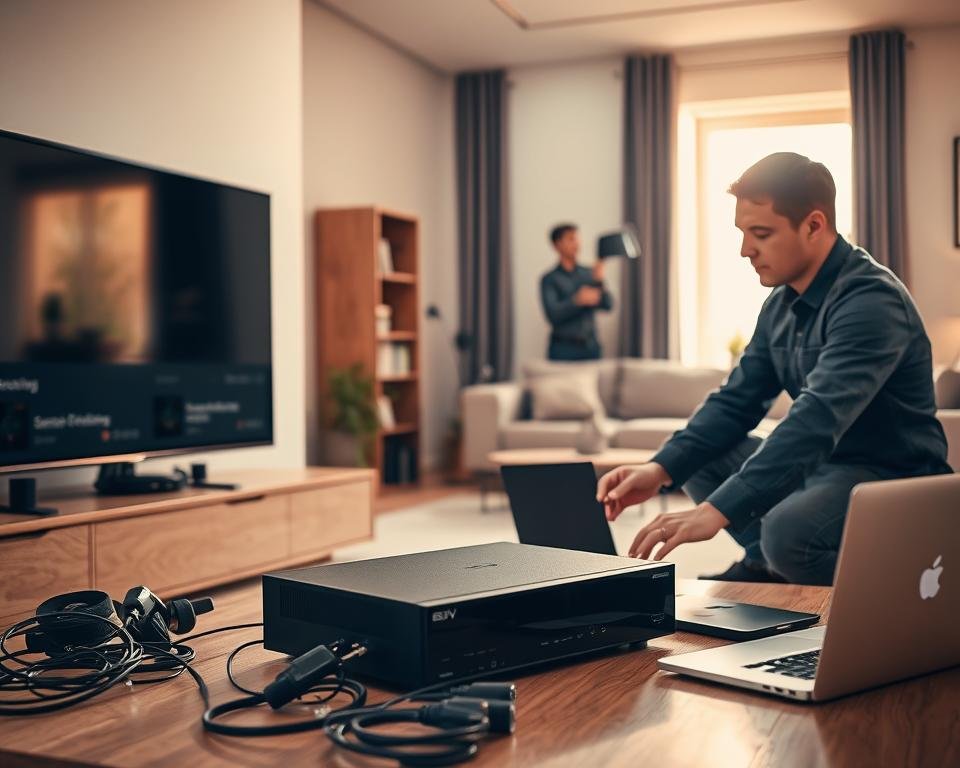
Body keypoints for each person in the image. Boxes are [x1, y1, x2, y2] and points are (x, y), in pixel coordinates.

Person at [596, 152, 952, 586]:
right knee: (704, 457)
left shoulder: (871, 301)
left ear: (814, 225)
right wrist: (660, 469)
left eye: (761, 234)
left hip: (887, 476)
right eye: (743, 233)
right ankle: (766, 563)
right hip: (822, 469)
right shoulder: (780, 303)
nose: (746, 250)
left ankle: (794, 566)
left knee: (790, 533)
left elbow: (816, 421)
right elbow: (736, 401)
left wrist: (715, 512)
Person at [540, 223, 613, 360]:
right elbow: (552, 315)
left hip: (590, 348)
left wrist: (600, 281)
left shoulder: (589, 274)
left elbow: (608, 305)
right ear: (557, 245)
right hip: (563, 349)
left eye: (577, 239)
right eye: (571, 239)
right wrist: (577, 301)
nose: (577, 243)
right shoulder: (549, 279)